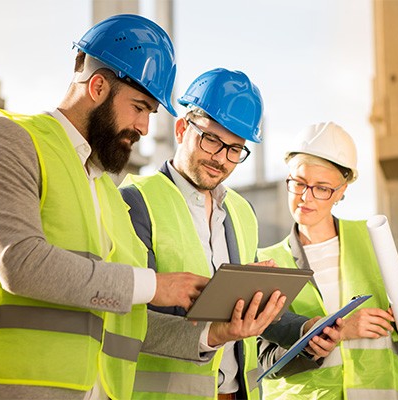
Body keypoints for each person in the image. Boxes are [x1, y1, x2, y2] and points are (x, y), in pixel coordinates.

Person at [0, 14, 215, 400]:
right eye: (139, 107)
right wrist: (157, 285)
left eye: (150, 113)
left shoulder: (107, 191)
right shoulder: (7, 141)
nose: (143, 127)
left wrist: (210, 334)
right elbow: (21, 264)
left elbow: (124, 313)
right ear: (98, 85)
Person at [120, 68, 342, 400]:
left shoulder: (240, 211)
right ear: (182, 129)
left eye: (235, 149)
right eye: (211, 139)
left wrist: (304, 329)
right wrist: (214, 332)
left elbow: (252, 310)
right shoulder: (136, 201)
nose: (221, 159)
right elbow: (129, 317)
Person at [257, 121, 398, 399]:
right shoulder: (267, 261)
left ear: (341, 191)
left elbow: (397, 332)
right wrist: (340, 330)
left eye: (322, 188)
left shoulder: (374, 241)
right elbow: (265, 361)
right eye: (298, 183)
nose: (305, 197)